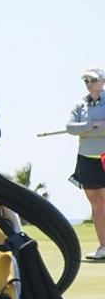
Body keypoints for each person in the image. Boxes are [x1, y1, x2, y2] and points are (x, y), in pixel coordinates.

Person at [67, 67, 105, 261]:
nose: (89, 84)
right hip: (87, 159)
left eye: (93, 80)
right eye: (86, 81)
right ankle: (104, 247)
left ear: (103, 81)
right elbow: (70, 127)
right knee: (97, 204)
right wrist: (88, 126)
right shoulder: (80, 105)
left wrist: (99, 127)